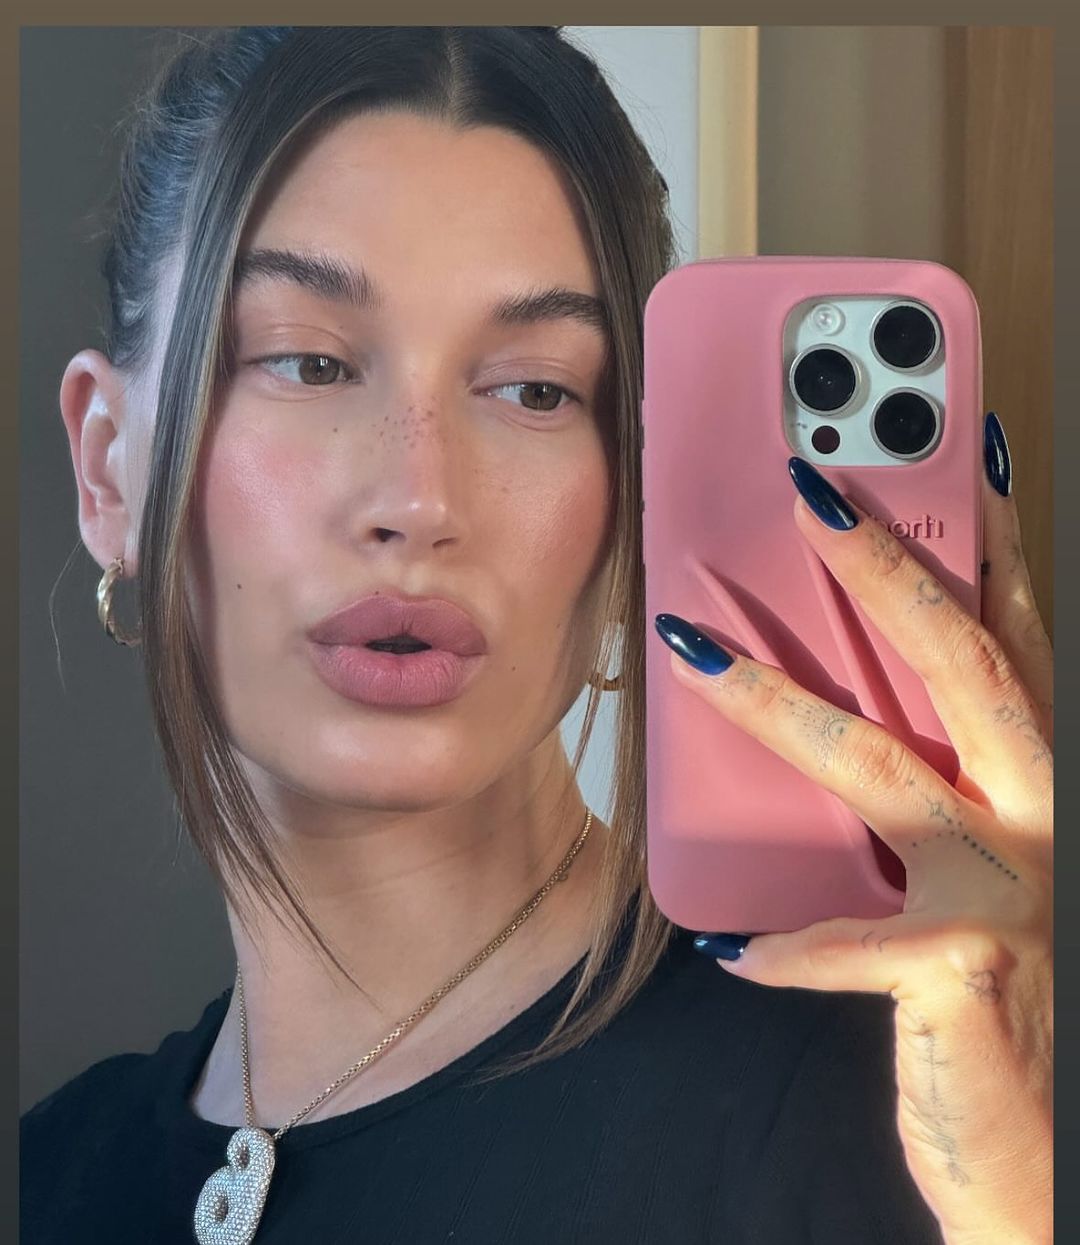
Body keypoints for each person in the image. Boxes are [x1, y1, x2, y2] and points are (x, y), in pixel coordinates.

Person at [20, 26, 1051, 1245]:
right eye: (307, 363)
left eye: (536, 390)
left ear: (635, 490)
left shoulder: (910, 1118)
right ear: (107, 469)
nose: (420, 500)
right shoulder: (51, 1174)